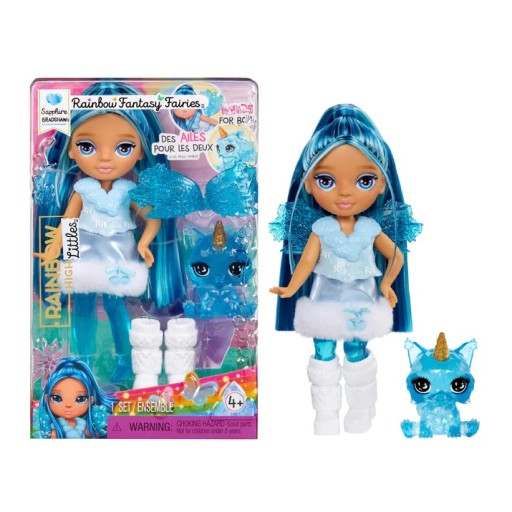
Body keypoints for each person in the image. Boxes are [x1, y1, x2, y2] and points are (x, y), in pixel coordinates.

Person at [270, 104, 421, 434]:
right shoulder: (321, 228)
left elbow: (396, 256)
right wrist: (292, 287)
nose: (345, 192)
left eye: (365, 180)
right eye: (326, 180)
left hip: (361, 298)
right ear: (308, 185)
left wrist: (387, 285)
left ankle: (361, 408)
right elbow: (306, 262)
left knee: (356, 349)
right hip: (324, 297)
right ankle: (325, 414)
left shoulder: (370, 228)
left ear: (382, 185)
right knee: (322, 351)